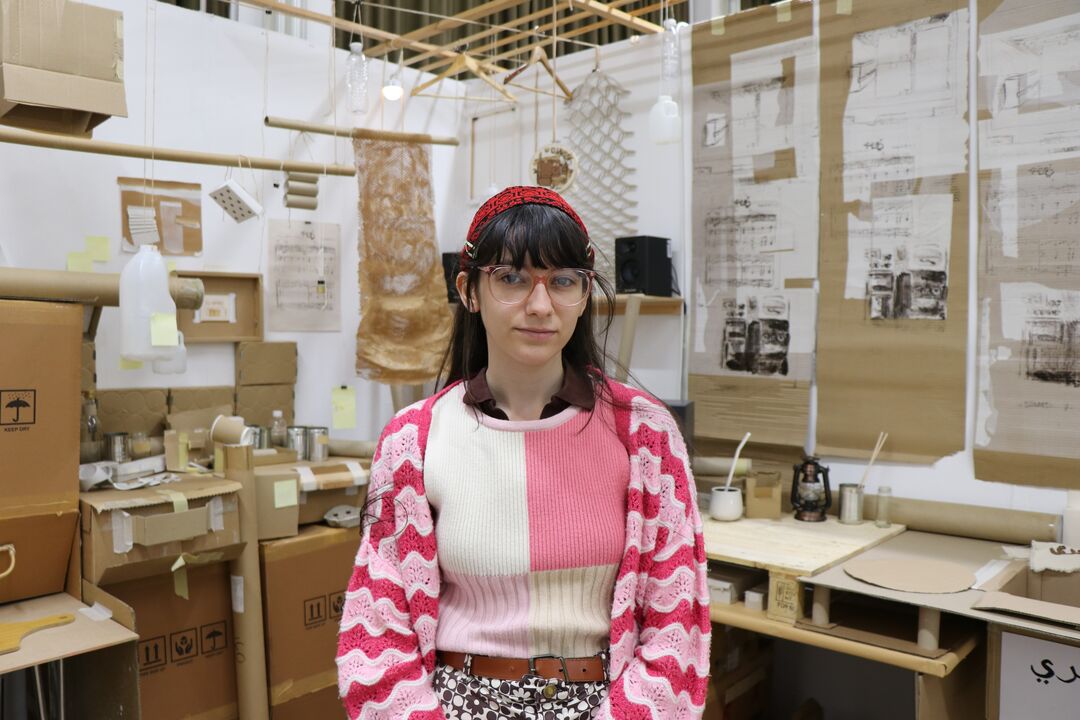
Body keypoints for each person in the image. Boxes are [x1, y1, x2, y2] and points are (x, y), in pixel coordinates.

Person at [337, 186, 710, 720]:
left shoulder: (645, 436)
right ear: (468, 291)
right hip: (454, 705)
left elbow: (678, 631)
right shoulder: (413, 441)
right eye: (511, 278)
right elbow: (377, 634)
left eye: (562, 281)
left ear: (584, 296)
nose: (540, 305)